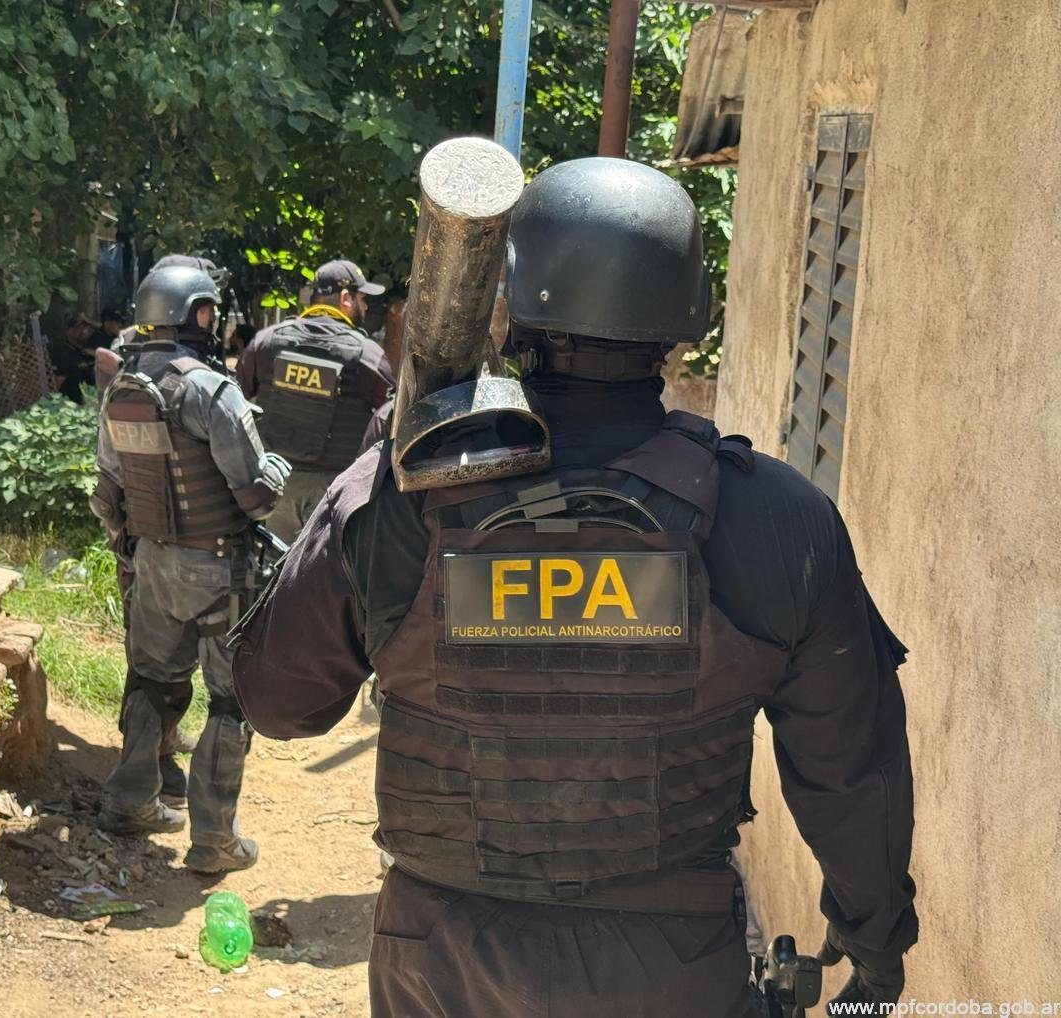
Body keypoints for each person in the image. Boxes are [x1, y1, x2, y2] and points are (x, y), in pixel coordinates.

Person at [232, 159, 918, 1015]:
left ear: (511, 308)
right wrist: (875, 948)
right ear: (682, 322)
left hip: (442, 967)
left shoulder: (398, 497)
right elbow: (853, 767)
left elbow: (280, 705)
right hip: (673, 969)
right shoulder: (777, 518)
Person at [90, 262, 289, 876]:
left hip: (151, 562)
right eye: (208, 309)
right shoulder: (211, 390)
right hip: (220, 568)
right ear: (195, 313)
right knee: (229, 701)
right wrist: (275, 471)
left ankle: (130, 803)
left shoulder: (121, 389)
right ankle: (214, 840)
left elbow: (107, 492)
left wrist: (136, 547)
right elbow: (256, 497)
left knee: (151, 680)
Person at [237, 259, 395, 541]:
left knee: (273, 565)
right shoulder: (367, 356)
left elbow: (237, 400)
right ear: (345, 299)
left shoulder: (266, 342)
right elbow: (392, 415)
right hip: (333, 492)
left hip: (274, 484)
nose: (366, 306)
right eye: (362, 298)